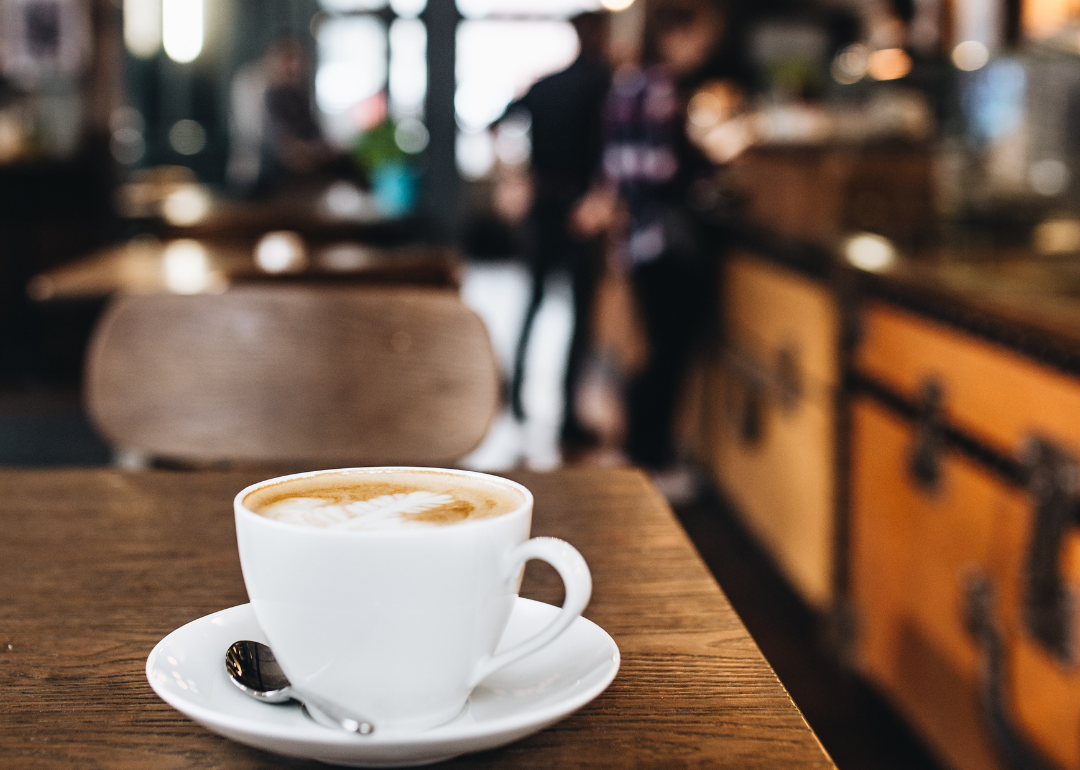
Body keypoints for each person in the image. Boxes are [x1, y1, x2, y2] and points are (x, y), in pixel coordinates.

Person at [592, 0, 725, 478]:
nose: (703, 50)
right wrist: (712, 167)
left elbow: (616, 169)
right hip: (665, 238)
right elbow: (662, 173)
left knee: (649, 349)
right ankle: (651, 460)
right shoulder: (662, 89)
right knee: (668, 352)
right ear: (674, 32)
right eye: (699, 38)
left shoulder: (625, 85)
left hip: (637, 237)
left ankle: (638, 452)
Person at [502, 11, 612, 448]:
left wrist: (512, 181)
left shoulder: (546, 85)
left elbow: (499, 124)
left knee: (534, 301)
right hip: (581, 211)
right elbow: (614, 152)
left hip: (543, 205)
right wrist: (600, 199)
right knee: (578, 317)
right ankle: (567, 417)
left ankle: (514, 397)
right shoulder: (604, 85)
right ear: (597, 34)